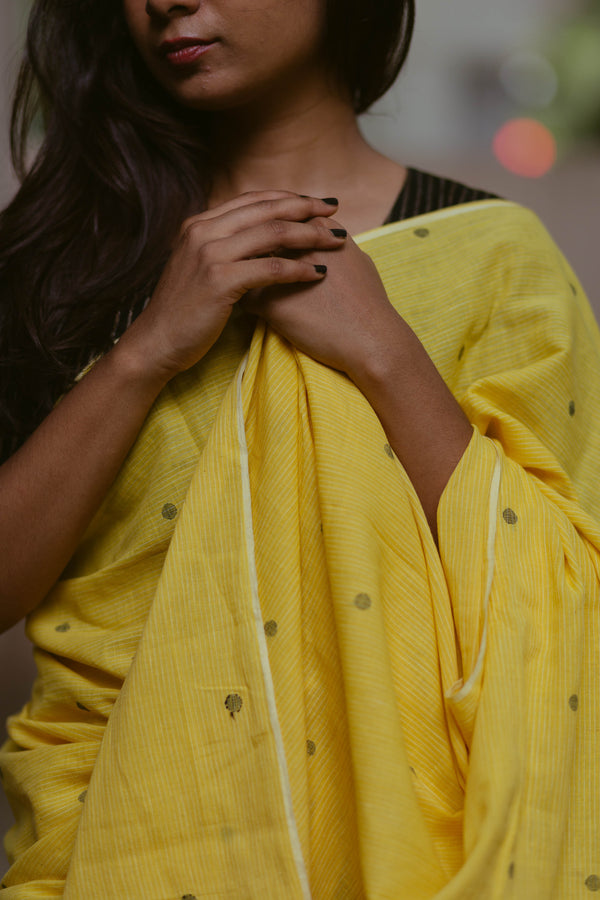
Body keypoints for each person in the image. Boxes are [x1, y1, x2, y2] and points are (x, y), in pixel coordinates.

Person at [0, 0, 599, 897]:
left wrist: (386, 353)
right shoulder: (62, 257)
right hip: (110, 844)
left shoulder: (495, 259)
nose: (166, 1)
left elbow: (562, 593)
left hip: (416, 842)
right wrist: (145, 353)